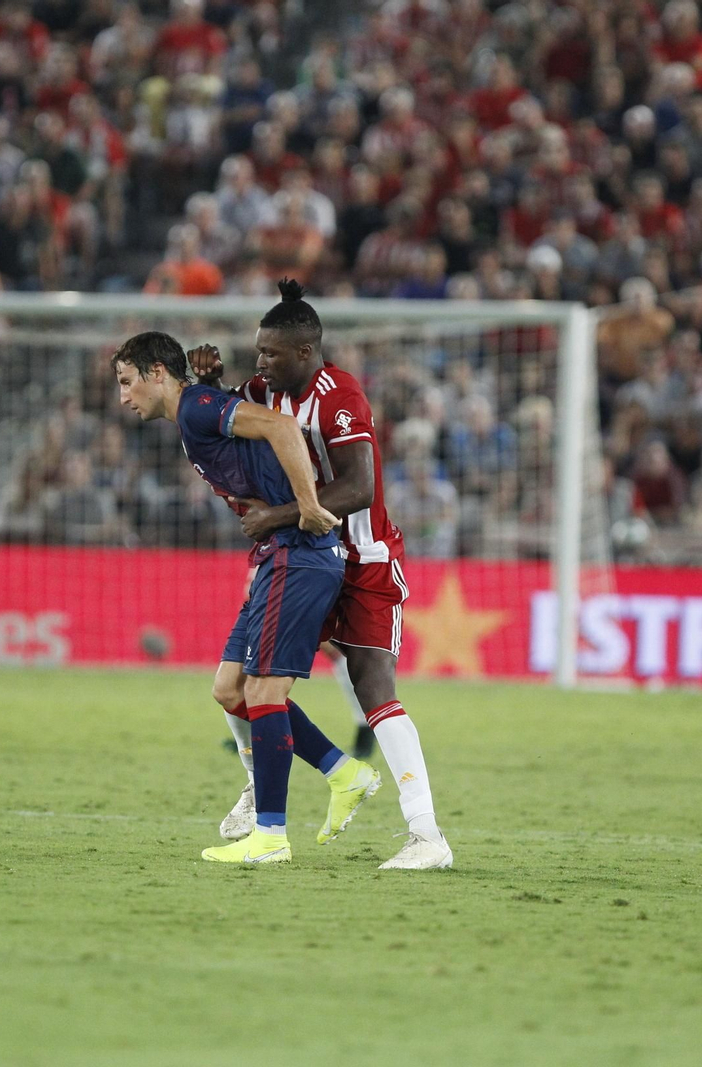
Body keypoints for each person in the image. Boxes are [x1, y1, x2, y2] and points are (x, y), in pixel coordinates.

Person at [189, 280, 454, 870]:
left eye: (271, 353)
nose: (259, 362)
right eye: (257, 351)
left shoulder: (340, 397)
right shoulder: (264, 389)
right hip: (302, 559)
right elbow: (228, 418)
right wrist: (207, 385)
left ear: (305, 354)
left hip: (361, 560)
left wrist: (277, 516)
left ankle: (427, 835)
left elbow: (359, 487)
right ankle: (268, 786)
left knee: (373, 688)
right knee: (242, 685)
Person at [112, 330, 374, 865]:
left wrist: (306, 504)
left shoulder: (195, 408)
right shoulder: (198, 409)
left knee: (264, 693)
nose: (123, 397)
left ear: (157, 372)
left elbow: (280, 425)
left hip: (297, 553)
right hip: (275, 555)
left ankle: (271, 836)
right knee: (230, 688)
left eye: (126, 381)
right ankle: (344, 773)